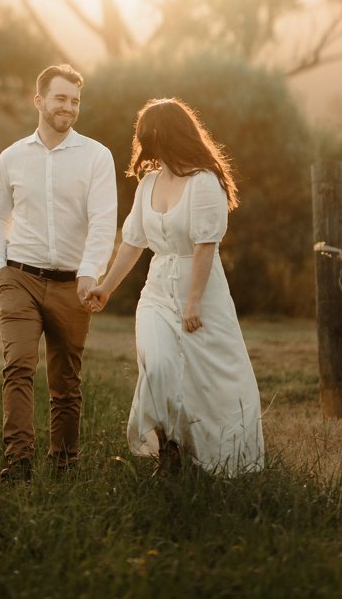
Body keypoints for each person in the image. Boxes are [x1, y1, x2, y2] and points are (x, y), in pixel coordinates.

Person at [86, 98, 264, 476]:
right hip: (156, 291)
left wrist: (193, 301)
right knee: (159, 363)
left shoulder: (205, 182)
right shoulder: (148, 183)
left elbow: (204, 245)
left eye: (147, 136)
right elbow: (133, 241)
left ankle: (215, 456)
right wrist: (106, 287)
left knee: (209, 378)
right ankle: (168, 447)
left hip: (200, 291)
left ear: (165, 136)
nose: (142, 144)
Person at [0, 64, 117, 482]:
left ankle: (64, 465)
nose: (69, 107)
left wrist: (90, 273)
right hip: (18, 276)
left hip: (74, 283)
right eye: (60, 98)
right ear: (39, 101)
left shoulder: (96, 156)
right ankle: (18, 462)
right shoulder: (12, 157)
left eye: (75, 101)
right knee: (18, 365)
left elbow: (103, 221)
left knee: (65, 381)